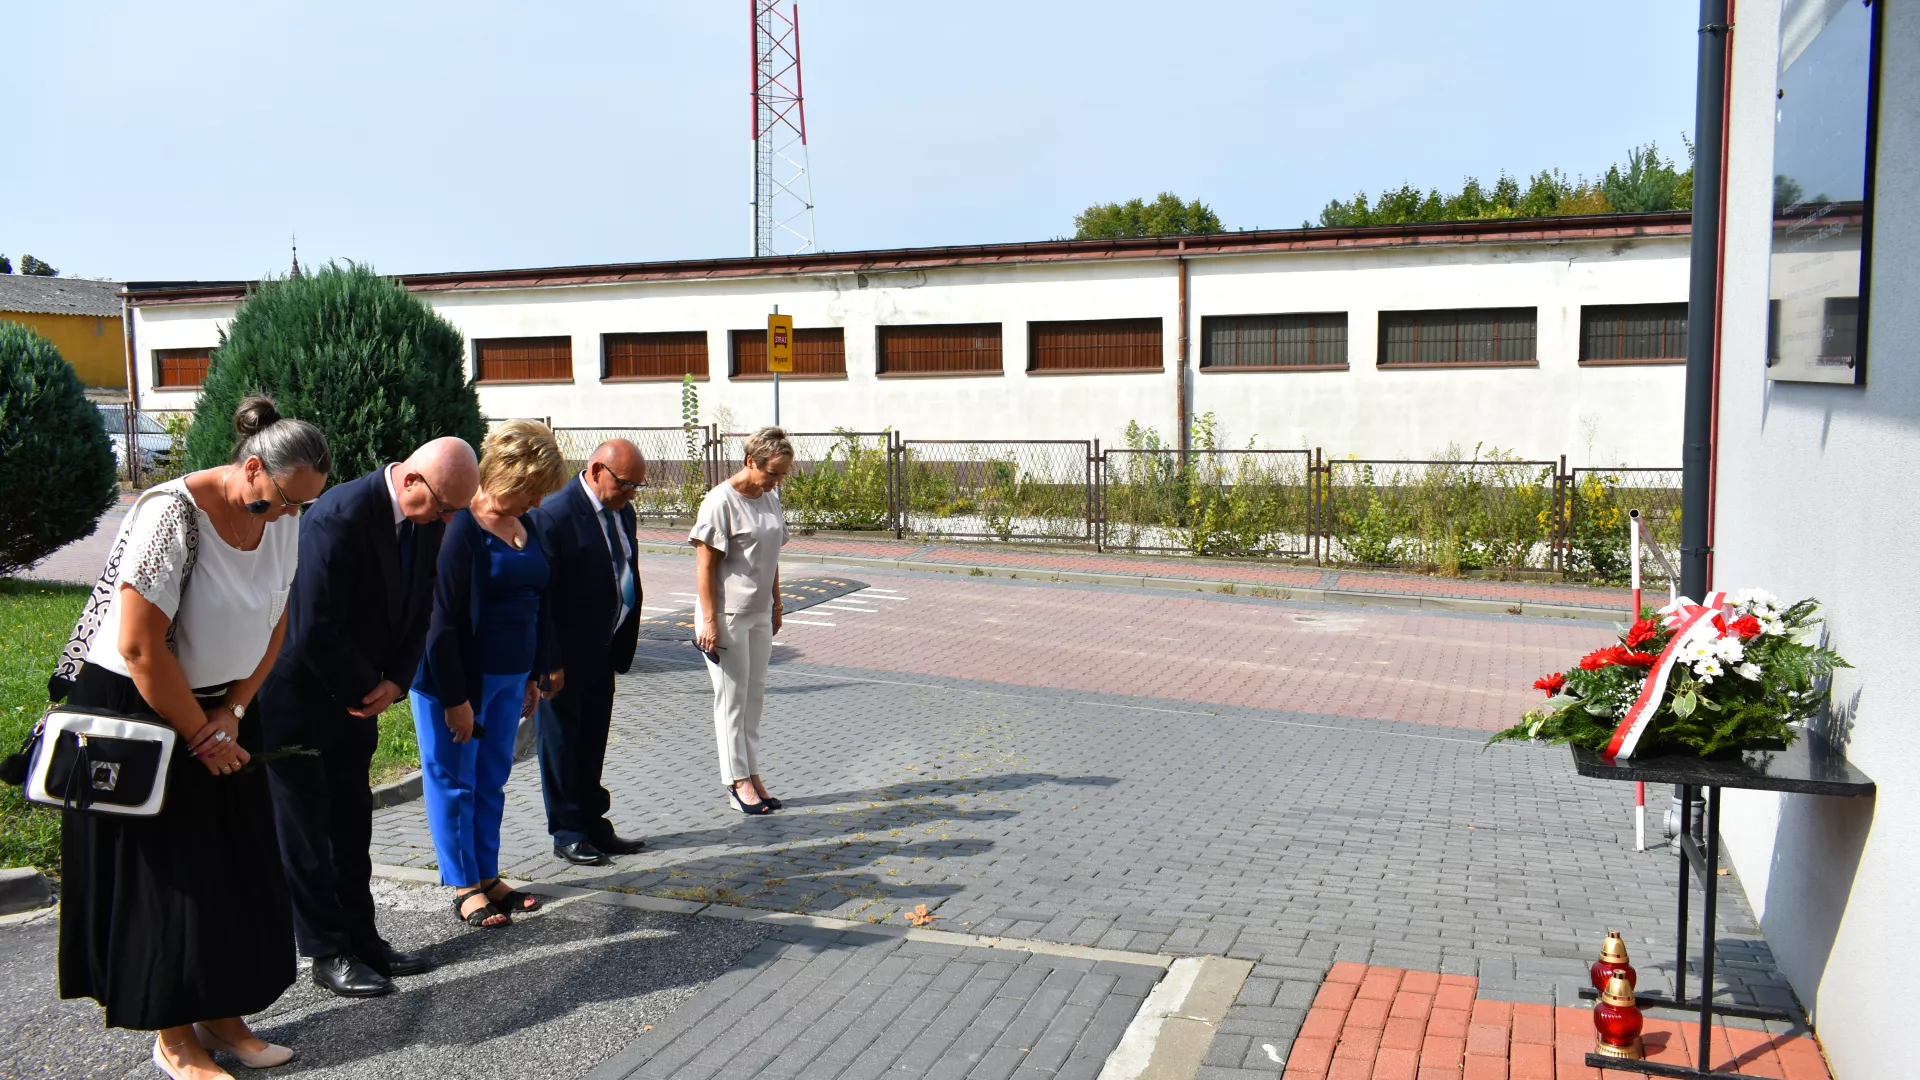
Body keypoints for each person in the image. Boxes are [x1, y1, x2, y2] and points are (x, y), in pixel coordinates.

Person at [60, 396, 329, 1080]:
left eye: (303, 507)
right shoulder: (168, 515)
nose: (290, 519)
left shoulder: (284, 515)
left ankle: (223, 1015)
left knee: (232, 873)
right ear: (249, 468)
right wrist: (201, 734)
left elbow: (276, 621)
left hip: (225, 711)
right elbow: (141, 648)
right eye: (279, 503)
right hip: (146, 711)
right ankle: (173, 1036)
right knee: (167, 884)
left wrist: (235, 710)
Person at [257, 435, 479, 999]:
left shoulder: (427, 519)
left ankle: (364, 937)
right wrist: (368, 684)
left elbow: (423, 606)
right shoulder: (340, 514)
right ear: (410, 481)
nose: (449, 522)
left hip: (362, 698)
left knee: (353, 825)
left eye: (456, 513)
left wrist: (397, 681)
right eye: (446, 508)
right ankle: (327, 951)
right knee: (307, 834)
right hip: (300, 697)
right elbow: (314, 624)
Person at [410, 420, 570, 926]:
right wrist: (456, 698)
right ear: (504, 473)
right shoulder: (458, 524)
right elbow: (441, 620)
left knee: (491, 778)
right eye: (529, 489)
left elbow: (541, 602)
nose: (535, 501)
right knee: (454, 780)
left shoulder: (531, 525)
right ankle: (463, 884)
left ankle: (487, 872)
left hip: (511, 676)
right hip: (457, 679)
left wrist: (536, 671)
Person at [529, 438, 648, 865]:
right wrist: (549, 661)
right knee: (561, 742)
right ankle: (568, 830)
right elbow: (542, 597)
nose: (631, 494)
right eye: (625, 484)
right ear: (597, 469)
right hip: (565, 656)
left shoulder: (622, 510)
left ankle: (594, 822)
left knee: (592, 738)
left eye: (637, 487)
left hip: (603, 648)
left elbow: (623, 568)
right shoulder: (555, 515)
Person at [690, 426, 792, 815]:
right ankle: (736, 781)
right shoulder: (720, 501)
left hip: (759, 614)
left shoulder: (769, 499)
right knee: (731, 701)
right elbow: (704, 565)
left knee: (754, 698)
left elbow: (773, 558)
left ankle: (752, 772)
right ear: (751, 462)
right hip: (726, 615)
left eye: (782, 474)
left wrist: (777, 604)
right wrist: (710, 621)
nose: (777, 481)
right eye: (773, 473)